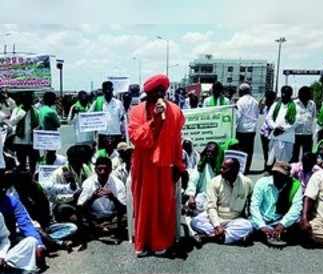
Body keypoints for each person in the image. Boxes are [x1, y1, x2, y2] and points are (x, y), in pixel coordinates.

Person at [128, 74, 186, 257]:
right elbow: (137, 139)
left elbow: (177, 141)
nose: (160, 94)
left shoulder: (175, 111)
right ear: (148, 93)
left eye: (163, 90)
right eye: (156, 91)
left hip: (165, 166)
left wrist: (179, 165)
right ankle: (142, 243)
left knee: (163, 205)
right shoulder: (137, 111)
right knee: (143, 204)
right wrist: (154, 121)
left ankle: (160, 241)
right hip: (144, 167)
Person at [191, 158, 253, 245]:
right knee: (195, 222)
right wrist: (217, 225)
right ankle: (228, 236)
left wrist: (248, 217)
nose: (221, 170)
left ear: (235, 170)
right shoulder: (214, 182)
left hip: (234, 220)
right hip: (215, 218)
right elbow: (211, 207)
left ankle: (209, 238)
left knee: (248, 226)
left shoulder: (247, 183)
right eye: (221, 167)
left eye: (224, 168)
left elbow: (251, 203)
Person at [0, 172, 46, 270]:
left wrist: (39, 245)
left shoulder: (11, 201)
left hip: (7, 243)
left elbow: (25, 224)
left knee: (32, 241)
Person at [250, 161, 303, 247]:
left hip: (280, 220)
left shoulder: (295, 185)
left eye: (281, 175)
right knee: (245, 226)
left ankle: (272, 233)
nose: (277, 176)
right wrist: (262, 225)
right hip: (261, 219)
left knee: (299, 223)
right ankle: (270, 233)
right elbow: (254, 206)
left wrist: (283, 224)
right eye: (275, 173)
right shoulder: (262, 182)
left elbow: (296, 208)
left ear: (287, 176)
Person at [42, 145, 92, 223]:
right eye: (82, 158)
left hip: (81, 203)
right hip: (64, 205)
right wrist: (72, 197)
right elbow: (52, 197)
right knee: (65, 210)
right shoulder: (59, 173)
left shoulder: (85, 168)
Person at [77, 157, 126, 235]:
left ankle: (99, 228)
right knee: (79, 218)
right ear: (95, 169)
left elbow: (123, 209)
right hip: (94, 217)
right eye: (100, 169)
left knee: (125, 218)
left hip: (112, 216)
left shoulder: (118, 184)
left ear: (110, 170)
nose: (102, 172)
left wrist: (113, 198)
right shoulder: (88, 183)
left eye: (105, 169)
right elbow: (80, 208)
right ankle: (105, 228)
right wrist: (92, 198)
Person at [184, 142, 224, 216]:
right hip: (204, 195)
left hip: (220, 197)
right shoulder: (202, 165)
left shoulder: (224, 167)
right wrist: (191, 196)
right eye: (208, 152)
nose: (209, 155)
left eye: (212, 152)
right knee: (192, 206)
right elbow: (193, 180)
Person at [9, 91, 40, 173]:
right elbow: (11, 123)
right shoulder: (17, 110)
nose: (30, 101)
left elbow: (40, 124)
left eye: (31, 100)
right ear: (24, 101)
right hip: (20, 141)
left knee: (33, 165)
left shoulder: (36, 111)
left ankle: (31, 181)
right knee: (21, 164)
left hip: (32, 142)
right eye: (28, 100)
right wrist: (22, 113)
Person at [90, 81, 125, 149]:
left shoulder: (118, 103)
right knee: (102, 156)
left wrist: (123, 133)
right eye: (106, 89)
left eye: (110, 89)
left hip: (116, 133)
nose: (108, 91)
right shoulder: (97, 102)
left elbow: (122, 118)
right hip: (102, 134)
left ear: (112, 90)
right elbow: (89, 116)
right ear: (103, 90)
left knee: (116, 156)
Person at [267, 86, 297, 165]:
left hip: (288, 137)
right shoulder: (275, 105)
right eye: (283, 93)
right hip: (275, 135)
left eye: (286, 93)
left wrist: (283, 129)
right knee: (272, 159)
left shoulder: (295, 106)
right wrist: (275, 127)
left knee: (285, 161)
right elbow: (268, 118)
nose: (284, 95)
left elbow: (296, 121)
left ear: (290, 94)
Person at [235, 83, 259, 174]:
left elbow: (238, 116)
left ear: (241, 91)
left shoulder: (240, 101)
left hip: (242, 129)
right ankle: (247, 168)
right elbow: (257, 115)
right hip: (252, 129)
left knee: (241, 150)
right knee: (249, 150)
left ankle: (241, 168)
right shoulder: (255, 101)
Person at [292, 86, 317, 162]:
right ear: (300, 95)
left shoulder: (312, 104)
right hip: (295, 134)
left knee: (307, 156)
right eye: (304, 95)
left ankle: (304, 171)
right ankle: (293, 171)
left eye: (308, 95)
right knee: (294, 155)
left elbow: (313, 117)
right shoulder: (294, 104)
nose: (307, 97)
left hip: (308, 134)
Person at [259, 90, 276, 171]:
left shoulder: (276, 108)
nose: (265, 100)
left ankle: (271, 167)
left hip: (271, 133)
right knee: (265, 151)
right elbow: (260, 110)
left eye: (267, 98)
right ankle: (267, 166)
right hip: (263, 132)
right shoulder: (266, 107)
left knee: (272, 151)